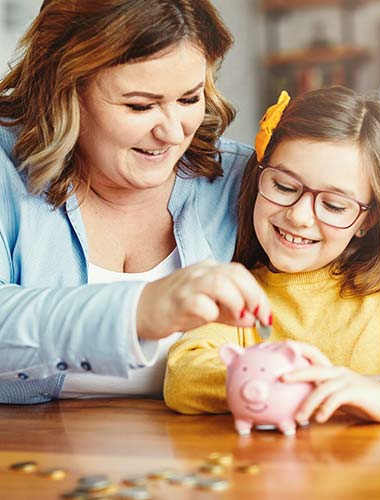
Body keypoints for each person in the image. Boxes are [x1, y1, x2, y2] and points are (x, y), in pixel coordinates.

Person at [0, 0, 272, 404]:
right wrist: (140, 310)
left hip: (209, 458)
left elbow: (371, 278)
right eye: (140, 106)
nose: (172, 132)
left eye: (188, 99)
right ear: (65, 89)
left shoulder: (242, 179)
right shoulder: (7, 166)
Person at [164, 86, 380, 423]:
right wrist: (290, 383)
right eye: (283, 186)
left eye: (334, 205)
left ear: (367, 220)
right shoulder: (242, 293)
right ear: (259, 177)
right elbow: (183, 374)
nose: (299, 216)